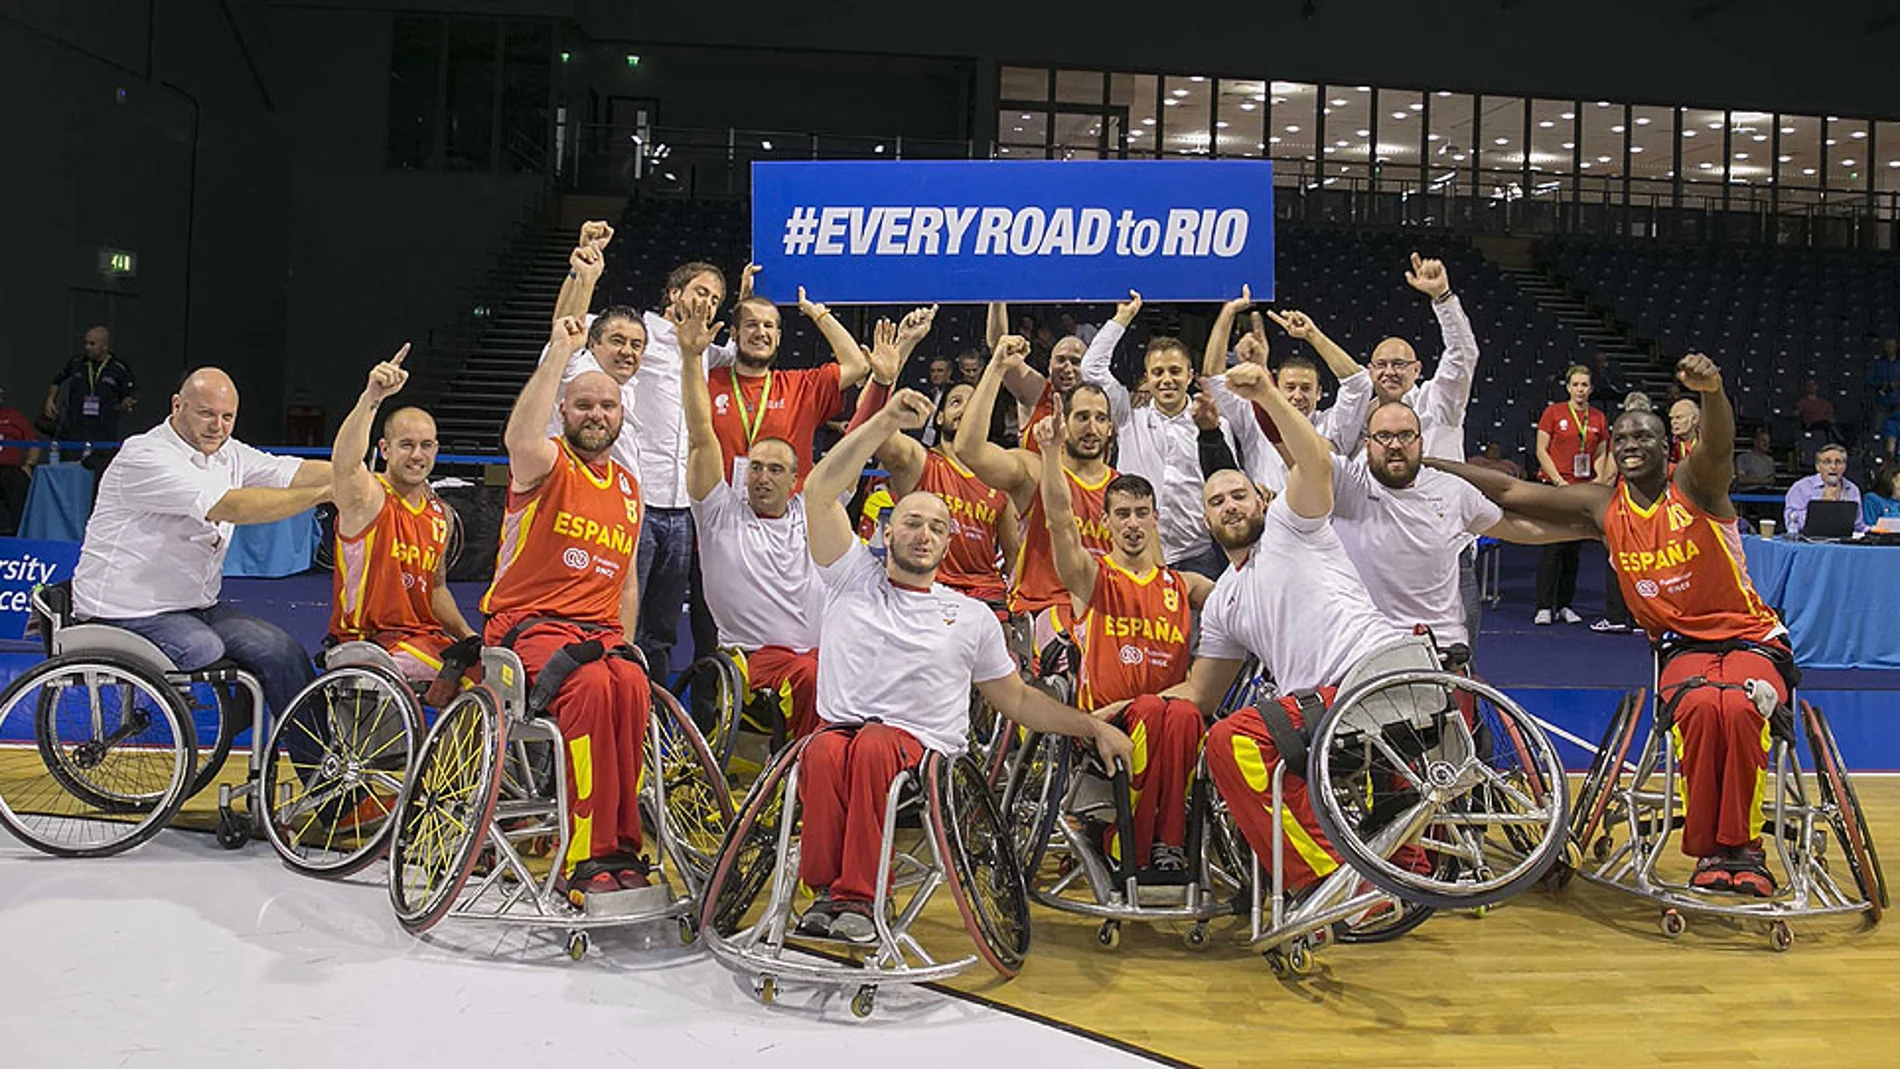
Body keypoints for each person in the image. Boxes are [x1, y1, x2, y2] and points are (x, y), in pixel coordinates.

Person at [1432, 353, 1790, 896]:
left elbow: (1718, 445)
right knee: (1698, 707)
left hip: (1750, 639)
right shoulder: (1605, 509)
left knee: (1738, 708)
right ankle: (1710, 852)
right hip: (1682, 649)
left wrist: (1713, 392)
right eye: (1620, 438)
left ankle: (1745, 848)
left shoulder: (1696, 488)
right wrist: (1435, 465)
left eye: (1643, 437)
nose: (1629, 445)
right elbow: (1510, 493)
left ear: (1666, 447)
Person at [791, 386, 1133, 942]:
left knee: (874, 745)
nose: (923, 534)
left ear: (949, 544)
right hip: (845, 736)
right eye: (912, 522)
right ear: (884, 531)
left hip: (923, 755)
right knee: (826, 747)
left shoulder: (969, 614)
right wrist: (884, 423)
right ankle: (825, 892)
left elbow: (1017, 699)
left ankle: (859, 897)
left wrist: (1090, 726)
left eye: (937, 527)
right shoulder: (851, 576)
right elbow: (818, 490)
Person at [1147, 363, 1407, 896]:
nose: (1229, 506)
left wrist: (1266, 393)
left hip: (1371, 673)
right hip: (1325, 707)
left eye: (1238, 495)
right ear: (1204, 523)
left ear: (1261, 499)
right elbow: (1199, 693)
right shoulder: (1225, 604)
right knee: (1254, 744)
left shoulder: (1293, 525)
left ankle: (1334, 885)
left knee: (1233, 741)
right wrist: (1118, 711)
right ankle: (1406, 870)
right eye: (1216, 502)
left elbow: (1313, 461)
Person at [481, 314, 655, 907]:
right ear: (565, 410)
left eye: (607, 407)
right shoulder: (547, 463)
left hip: (598, 634)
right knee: (589, 689)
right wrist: (559, 350)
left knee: (629, 684)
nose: (596, 415)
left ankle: (621, 847)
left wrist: (623, 646)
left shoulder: (629, 489)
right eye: (583, 405)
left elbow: (627, 584)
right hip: (529, 627)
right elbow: (518, 437)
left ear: (621, 414)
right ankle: (582, 853)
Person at [72, 367, 332, 748]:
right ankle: (233, 717)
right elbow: (230, 506)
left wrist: (356, 478)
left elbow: (287, 471)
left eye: (227, 417)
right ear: (177, 405)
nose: (218, 426)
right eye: (206, 414)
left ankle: (323, 782)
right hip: (124, 610)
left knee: (282, 651)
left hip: (191, 605)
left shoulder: (228, 453)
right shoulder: (145, 454)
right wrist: (325, 494)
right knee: (202, 646)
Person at [1037, 407, 1213, 881]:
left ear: (1156, 519)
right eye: (1122, 515)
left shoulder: (1186, 585)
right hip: (1102, 727)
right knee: (1161, 712)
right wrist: (1051, 455)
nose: (1132, 524)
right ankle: (1134, 840)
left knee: (1181, 713)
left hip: (1160, 717)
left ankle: (1166, 845)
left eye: (1141, 514)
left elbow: (1250, 600)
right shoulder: (1092, 577)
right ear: (1107, 521)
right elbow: (1058, 521)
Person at [1333, 400, 1594, 652]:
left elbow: (1512, 527)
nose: (1395, 445)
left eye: (1406, 436)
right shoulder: (1344, 485)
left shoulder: (1452, 489)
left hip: (1440, 646)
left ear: (1421, 442)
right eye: (1384, 436)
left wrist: (1585, 530)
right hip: (1365, 645)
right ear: (1367, 444)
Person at [680, 297, 824, 738]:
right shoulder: (720, 511)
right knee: (815, 678)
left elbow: (855, 446)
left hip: (820, 654)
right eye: (755, 468)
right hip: (760, 663)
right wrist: (690, 358)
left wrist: (884, 384)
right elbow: (703, 439)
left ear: (795, 478)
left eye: (776, 470)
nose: (762, 477)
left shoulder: (809, 512)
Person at [955, 334, 1118, 654]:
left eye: (1100, 418)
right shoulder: (1035, 471)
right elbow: (968, 449)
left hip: (1104, 617)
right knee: (1071, 651)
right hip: (1042, 614)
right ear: (1063, 423)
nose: (1092, 427)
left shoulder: (1123, 490)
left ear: (1111, 428)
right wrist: (997, 367)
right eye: (1082, 417)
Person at [325, 346, 477, 688]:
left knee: (493, 668)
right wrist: (371, 398)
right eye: (406, 444)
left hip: (423, 640)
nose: (417, 455)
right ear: (384, 449)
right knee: (478, 682)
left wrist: (468, 636)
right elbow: (345, 464)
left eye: (427, 445)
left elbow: (435, 588)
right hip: (368, 643)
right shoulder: (368, 498)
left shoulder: (441, 514)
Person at [859, 316, 1019, 608]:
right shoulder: (918, 461)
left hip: (987, 599)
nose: (966, 410)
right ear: (940, 417)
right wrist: (894, 361)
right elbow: (868, 426)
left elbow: (1014, 556)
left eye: (974, 404)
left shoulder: (1000, 476)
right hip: (927, 592)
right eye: (956, 402)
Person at [1080, 290, 1235, 578]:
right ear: (1147, 378)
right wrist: (1122, 318)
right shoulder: (1128, 417)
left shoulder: (1214, 423)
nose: (1167, 379)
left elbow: (1225, 481)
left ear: (1190, 375)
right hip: (1138, 552)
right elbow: (1091, 368)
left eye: (1175, 371)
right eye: (1158, 372)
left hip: (1198, 553)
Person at [705, 285, 871, 489]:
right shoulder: (707, 383)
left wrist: (818, 314)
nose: (760, 332)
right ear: (734, 333)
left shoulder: (800, 387)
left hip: (788, 515)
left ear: (778, 337)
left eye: (768, 325)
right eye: (751, 325)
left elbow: (858, 366)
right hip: (721, 513)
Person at [1202, 303, 1370, 491]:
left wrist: (1312, 335)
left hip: (1322, 517)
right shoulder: (1252, 416)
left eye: (1306, 388)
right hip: (1264, 517)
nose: (1297, 396)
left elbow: (1358, 384)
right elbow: (1213, 379)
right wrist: (1228, 311)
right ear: (1277, 390)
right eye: (1290, 388)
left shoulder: (1332, 425)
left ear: (1319, 393)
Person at [1531, 365, 1609, 625]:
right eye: (1575, 384)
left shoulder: (1597, 417)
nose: (1580, 390)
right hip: (1556, 488)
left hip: (1582, 490)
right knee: (1552, 547)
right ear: (1568, 387)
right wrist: (1557, 480)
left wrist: (1599, 479)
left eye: (1584, 385)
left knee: (1573, 551)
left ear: (1591, 389)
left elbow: (1600, 452)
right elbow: (1541, 449)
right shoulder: (1553, 413)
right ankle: (1544, 605)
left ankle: (1565, 604)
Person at [987, 300, 1087, 454]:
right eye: (1060, 360)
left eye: (1075, 362)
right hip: (1034, 477)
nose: (1067, 368)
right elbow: (1000, 349)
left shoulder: (1098, 401)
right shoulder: (1036, 391)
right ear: (1049, 365)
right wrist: (998, 297)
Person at [46, 326, 138, 484]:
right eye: (86, 343)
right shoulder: (77, 363)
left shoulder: (119, 368)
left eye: (92, 344)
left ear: (105, 346)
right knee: (69, 470)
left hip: (103, 429)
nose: (87, 347)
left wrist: (126, 403)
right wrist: (50, 399)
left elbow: (130, 394)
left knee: (99, 474)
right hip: (75, 426)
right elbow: (57, 381)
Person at [1783, 443, 1865, 536]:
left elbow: (1858, 526)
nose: (1833, 467)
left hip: (1843, 544)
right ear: (1818, 466)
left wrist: (1875, 529)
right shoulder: (1801, 488)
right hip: (1809, 544)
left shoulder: (1852, 490)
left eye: (1838, 462)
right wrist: (1822, 508)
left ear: (1844, 466)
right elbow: (1791, 523)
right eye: (1827, 462)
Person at [0, 385, 32, 535]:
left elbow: (34, 443)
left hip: (10, 469)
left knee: (20, 481)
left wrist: (28, 464)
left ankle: (18, 535)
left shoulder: (14, 416)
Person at [1792, 378, 1837, 443]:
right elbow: (1796, 413)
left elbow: (1830, 416)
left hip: (1825, 426)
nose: (1812, 387)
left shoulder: (1825, 402)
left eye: (1813, 385)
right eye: (1809, 385)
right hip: (1812, 426)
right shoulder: (1803, 402)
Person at [1668, 397, 1701, 464]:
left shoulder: (1708, 443)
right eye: (1671, 418)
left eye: (1678, 417)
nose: (1673, 422)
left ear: (1695, 419)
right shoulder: (1668, 444)